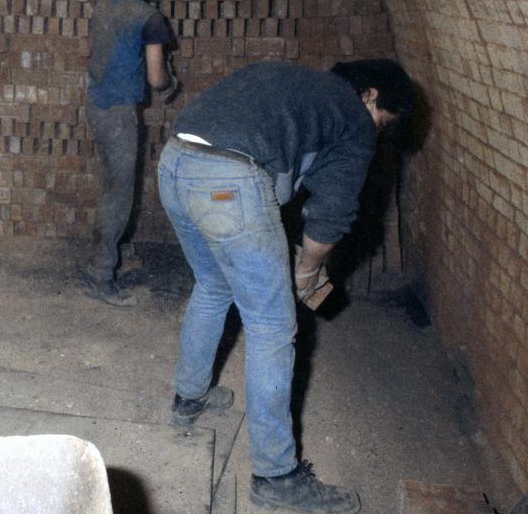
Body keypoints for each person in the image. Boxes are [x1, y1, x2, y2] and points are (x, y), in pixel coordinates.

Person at [156, 58, 413, 514]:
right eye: (382, 120)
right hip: (227, 181)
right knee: (272, 327)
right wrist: (307, 271)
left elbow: (283, 180)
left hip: (175, 162)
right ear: (370, 95)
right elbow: (331, 215)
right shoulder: (353, 118)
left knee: (213, 286)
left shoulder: (301, 86)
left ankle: (189, 399)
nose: (377, 131)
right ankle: (276, 476)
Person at [82, 0, 177, 307]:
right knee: (119, 194)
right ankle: (100, 273)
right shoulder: (149, 18)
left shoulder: (104, 4)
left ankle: (115, 250)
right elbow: (156, 78)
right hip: (119, 111)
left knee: (112, 185)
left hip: (96, 103)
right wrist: (170, 83)